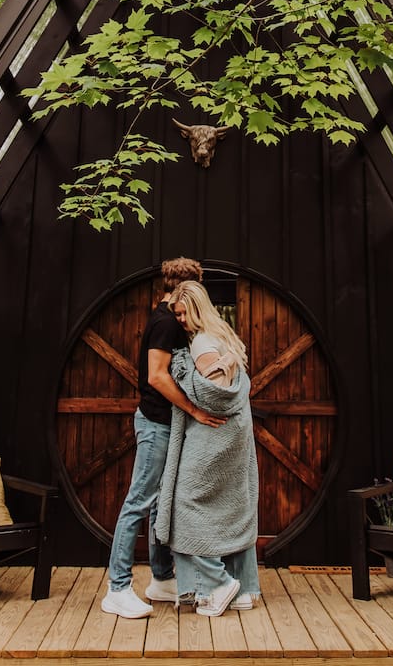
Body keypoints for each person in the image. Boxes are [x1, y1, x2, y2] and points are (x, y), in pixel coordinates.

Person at [101, 258, 227, 620]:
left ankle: (160, 578)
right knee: (138, 502)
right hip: (156, 423)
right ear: (188, 288)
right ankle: (117, 589)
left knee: (160, 503)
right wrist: (195, 410)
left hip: (166, 423)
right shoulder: (167, 322)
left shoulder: (168, 317)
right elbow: (157, 376)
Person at [155, 280, 260, 617]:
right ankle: (245, 590)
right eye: (177, 314)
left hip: (213, 435)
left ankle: (217, 583)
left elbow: (215, 396)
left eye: (184, 313)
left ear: (198, 310)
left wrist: (183, 375)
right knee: (233, 508)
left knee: (184, 505)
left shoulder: (201, 343)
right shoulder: (223, 335)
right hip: (236, 433)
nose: (180, 320)